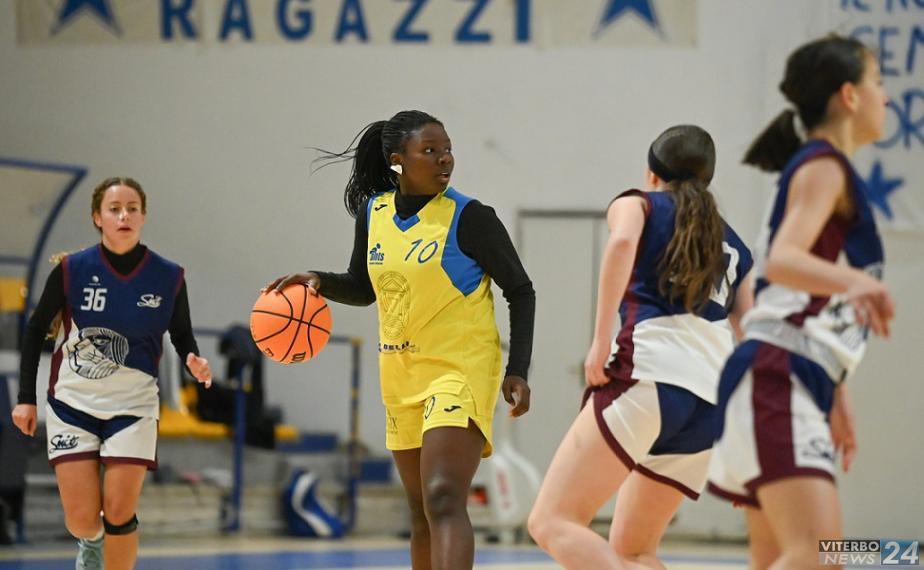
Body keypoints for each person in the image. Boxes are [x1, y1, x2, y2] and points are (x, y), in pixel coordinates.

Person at [266, 110, 535, 570]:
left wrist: (518, 370)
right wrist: (318, 281)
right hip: (400, 373)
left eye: (447, 149)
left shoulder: (471, 217)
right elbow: (363, 286)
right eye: (430, 151)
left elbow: (520, 290)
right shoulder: (374, 213)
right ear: (397, 160)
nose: (445, 159)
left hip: (459, 371)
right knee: (421, 510)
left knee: (444, 496)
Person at [706, 35, 894, 570]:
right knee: (820, 555)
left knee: (795, 557)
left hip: (790, 372)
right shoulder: (824, 165)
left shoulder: (819, 167)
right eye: (878, 82)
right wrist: (859, 282)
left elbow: (801, 297)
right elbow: (784, 260)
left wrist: (838, 387)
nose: (886, 97)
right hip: (776, 375)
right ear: (849, 95)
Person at [528, 125, 754, 569]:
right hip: (708, 408)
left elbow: (622, 242)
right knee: (635, 552)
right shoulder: (736, 246)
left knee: (552, 521)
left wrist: (600, 341)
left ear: (652, 173)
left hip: (649, 377)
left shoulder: (638, 203)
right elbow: (753, 334)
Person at [10, 177, 212, 570]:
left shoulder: (168, 276)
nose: (124, 216)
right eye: (114, 209)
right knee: (82, 520)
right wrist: (25, 399)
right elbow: (34, 330)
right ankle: (91, 544)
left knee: (119, 512)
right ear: (97, 217)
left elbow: (182, 334)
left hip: (133, 407)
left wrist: (193, 358)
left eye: (132, 209)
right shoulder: (71, 270)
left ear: (143, 216)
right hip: (72, 404)